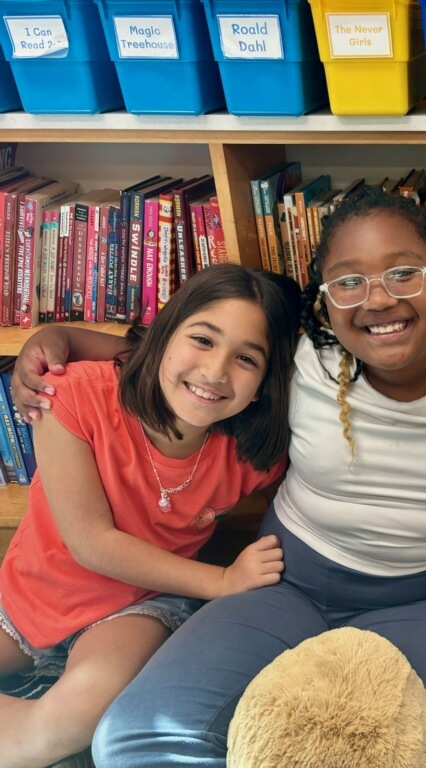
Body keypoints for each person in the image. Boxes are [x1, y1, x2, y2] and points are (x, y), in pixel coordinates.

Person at [11, 186, 426, 767]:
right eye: (349, 282)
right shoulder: (297, 364)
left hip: (421, 597)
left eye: (404, 272)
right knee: (132, 739)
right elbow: (175, 354)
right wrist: (54, 339)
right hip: (283, 580)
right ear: (325, 304)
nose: (379, 299)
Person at [0, 263, 300, 768]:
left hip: (135, 607)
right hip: (31, 593)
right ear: (164, 335)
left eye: (246, 359)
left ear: (267, 380)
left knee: (78, 715)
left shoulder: (254, 451)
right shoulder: (72, 393)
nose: (215, 372)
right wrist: (223, 581)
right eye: (203, 340)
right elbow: (90, 541)